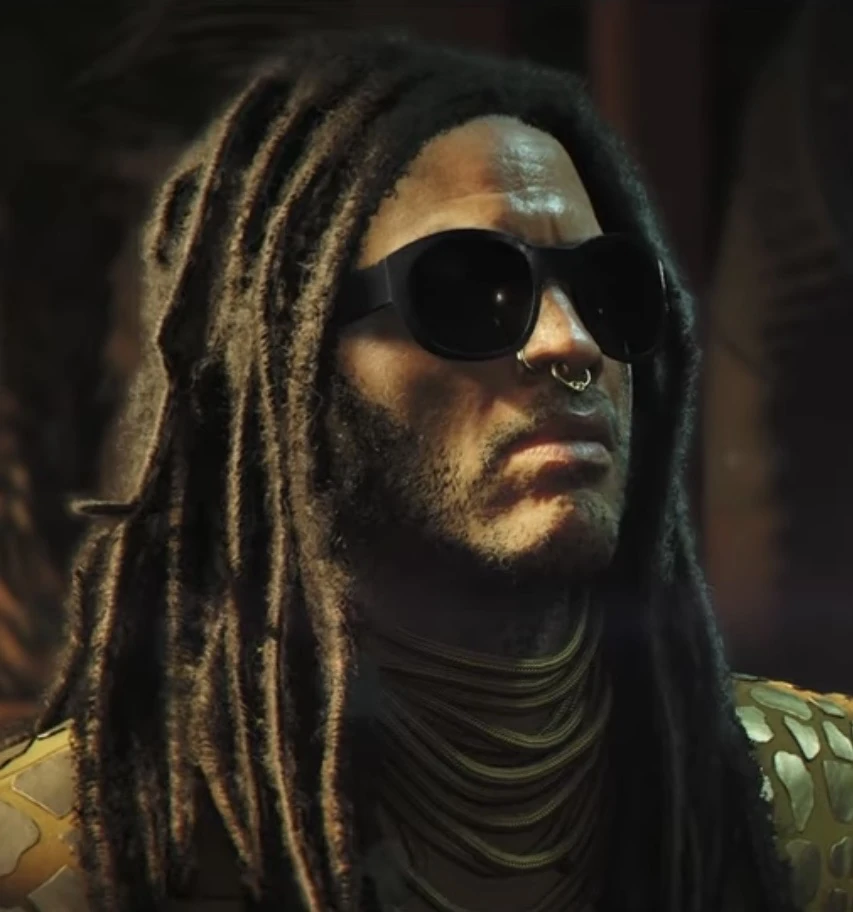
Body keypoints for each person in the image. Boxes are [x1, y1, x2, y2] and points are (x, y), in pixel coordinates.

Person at [0, 30, 850, 912]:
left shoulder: (817, 805)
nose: (571, 342)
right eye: (468, 292)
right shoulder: (61, 855)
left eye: (610, 291)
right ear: (291, 365)